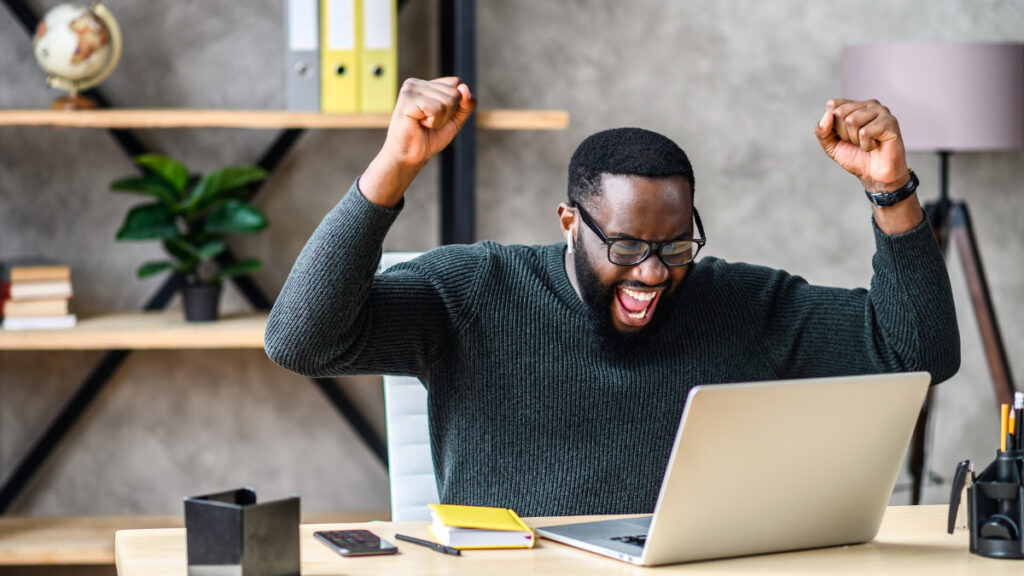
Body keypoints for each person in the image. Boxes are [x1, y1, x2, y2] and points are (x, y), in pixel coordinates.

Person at [265, 77, 959, 516]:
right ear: (570, 223)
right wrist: (394, 168)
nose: (653, 274)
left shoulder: (742, 303)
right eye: (626, 247)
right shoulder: (474, 291)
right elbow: (299, 340)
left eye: (676, 247)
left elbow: (917, 352)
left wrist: (890, 192)